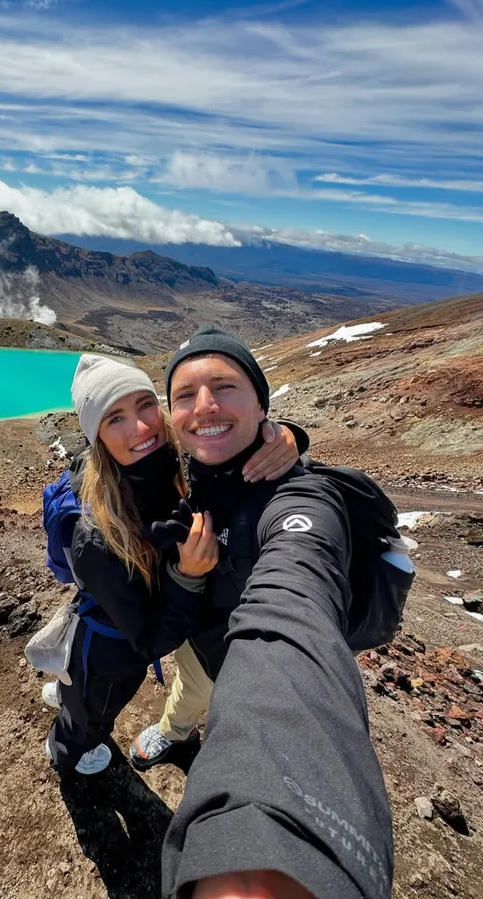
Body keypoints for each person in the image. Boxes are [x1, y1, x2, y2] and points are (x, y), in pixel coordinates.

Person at [129, 326, 393, 898]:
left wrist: (271, 842)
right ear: (174, 416)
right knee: (186, 696)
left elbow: (293, 591)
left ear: (261, 403)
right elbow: (107, 454)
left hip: (251, 656)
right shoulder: (184, 463)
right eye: (185, 396)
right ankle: (174, 734)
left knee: (222, 694)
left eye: (225, 387)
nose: (205, 407)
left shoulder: (297, 497)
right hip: (201, 642)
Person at [44, 353, 305, 777]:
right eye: (115, 418)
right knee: (94, 707)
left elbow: (226, 447)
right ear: (98, 439)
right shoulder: (94, 535)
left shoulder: (170, 461)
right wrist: (188, 576)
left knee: (83, 694)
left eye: (145, 405)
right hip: (115, 647)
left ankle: (67, 697)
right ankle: (66, 750)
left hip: (147, 621)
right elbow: (147, 642)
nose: (142, 427)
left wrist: (287, 437)